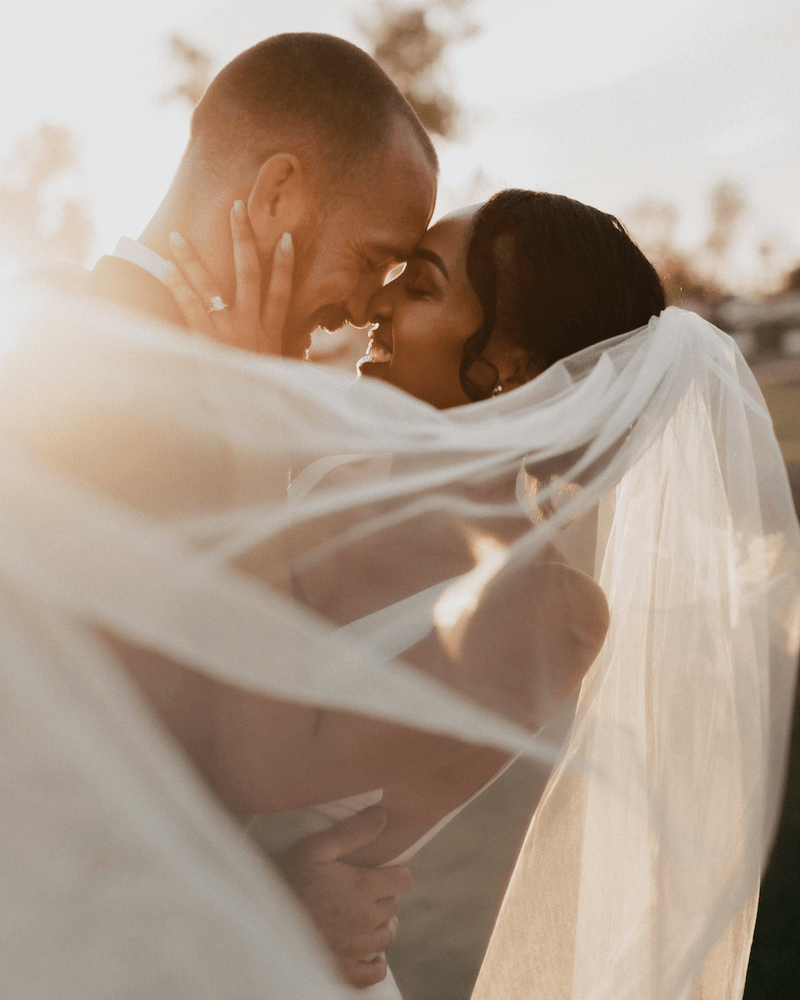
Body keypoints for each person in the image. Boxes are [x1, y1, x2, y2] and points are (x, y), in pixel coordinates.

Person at [163, 188, 800, 1000]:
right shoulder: (322, 478)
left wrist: (249, 427)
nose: (379, 302)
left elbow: (267, 767)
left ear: (510, 372)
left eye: (420, 286)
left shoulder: (550, 611)